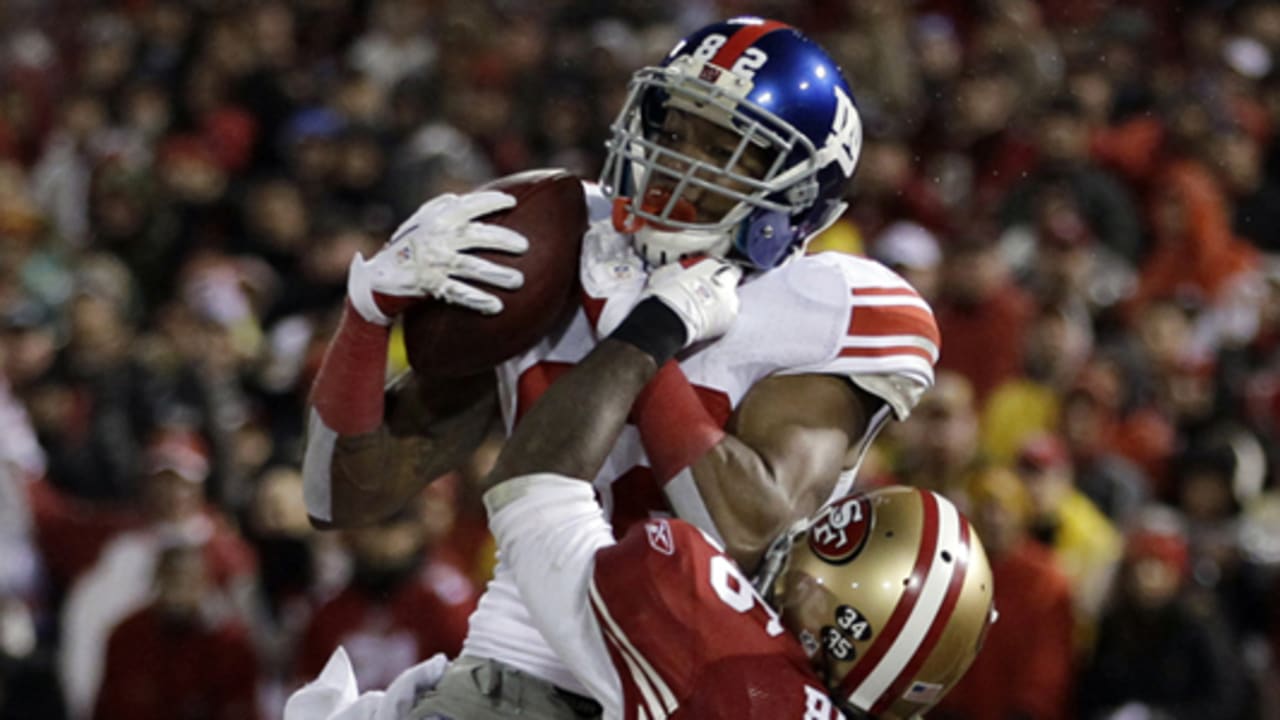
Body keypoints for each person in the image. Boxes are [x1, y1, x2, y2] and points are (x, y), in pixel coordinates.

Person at [302, 17, 941, 716]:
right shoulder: (568, 238)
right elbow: (342, 495)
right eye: (672, 130)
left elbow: (742, 530)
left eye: (725, 146)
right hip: (513, 672)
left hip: (690, 690)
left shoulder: (834, 305)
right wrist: (366, 319)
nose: (678, 161)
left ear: (798, 193)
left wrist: (643, 331)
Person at [290, 247, 993, 720]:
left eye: (834, 554)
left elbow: (533, 487)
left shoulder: (728, 657)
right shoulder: (768, 683)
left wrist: (644, 329)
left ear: (847, 624)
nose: (807, 549)